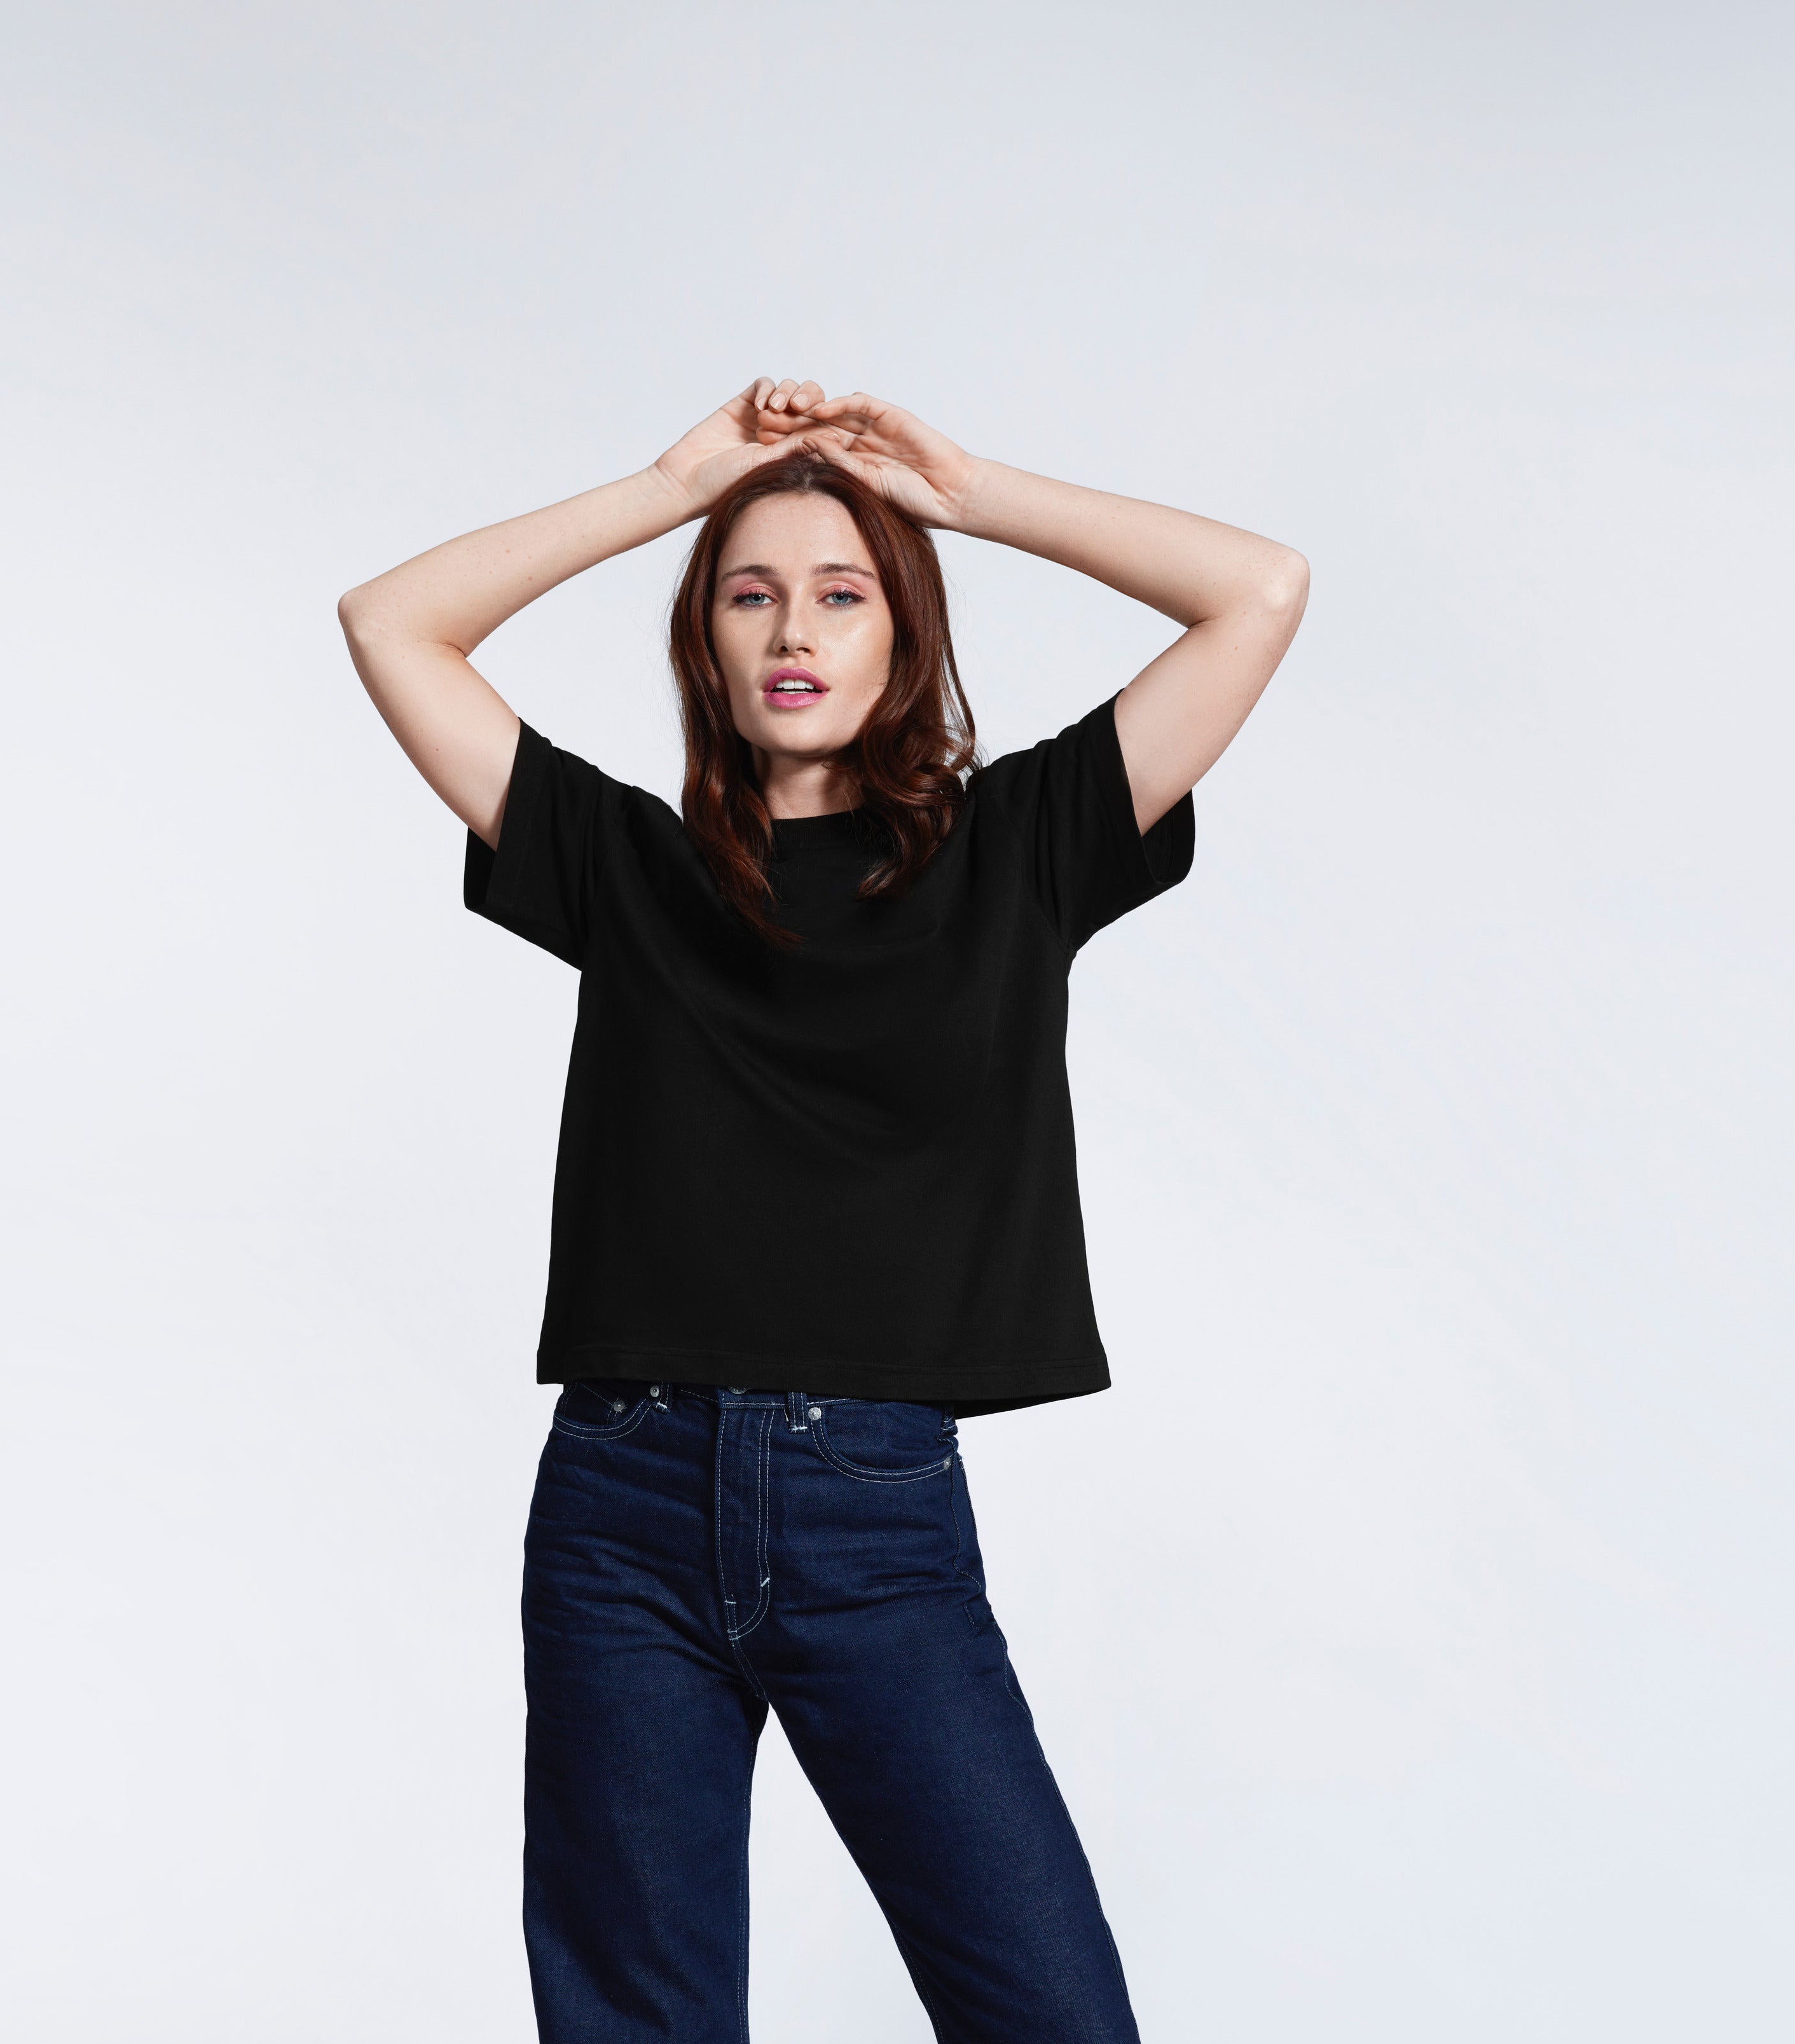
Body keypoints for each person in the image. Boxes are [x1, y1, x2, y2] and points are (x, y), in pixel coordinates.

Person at [338, 380, 1307, 2043]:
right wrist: (668, 489)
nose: (793, 628)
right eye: (749, 592)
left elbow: (1258, 590)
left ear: (901, 636)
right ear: (703, 642)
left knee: (1049, 2014)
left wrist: (966, 490)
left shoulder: (1023, 847)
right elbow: (393, 623)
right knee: (633, 2016)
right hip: (617, 1507)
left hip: (871, 1515)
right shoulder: (624, 865)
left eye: (841, 592)